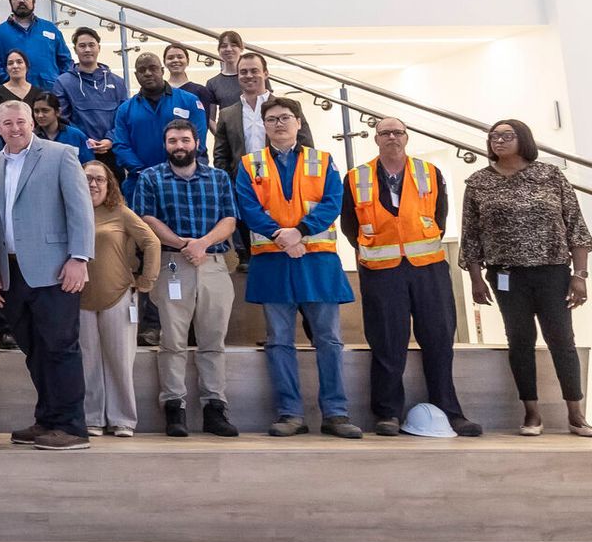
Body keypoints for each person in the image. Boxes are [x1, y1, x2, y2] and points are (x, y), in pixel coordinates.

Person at [340, 119, 479, 437]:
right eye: (385, 133)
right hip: (381, 270)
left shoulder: (429, 171)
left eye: (397, 132)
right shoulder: (356, 176)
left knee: (440, 340)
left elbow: (439, 216)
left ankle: (450, 411)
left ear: (407, 137)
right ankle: (387, 413)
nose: (392, 137)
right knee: (387, 343)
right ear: (375, 139)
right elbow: (350, 225)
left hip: (428, 267)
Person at [233, 96, 360, 438]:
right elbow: (247, 206)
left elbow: (334, 202)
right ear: (264, 125)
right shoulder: (249, 164)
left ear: (299, 123)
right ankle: (290, 413)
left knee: (329, 340)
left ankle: (336, 412)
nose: (279, 124)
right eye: (271, 119)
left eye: (285, 118)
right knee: (279, 342)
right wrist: (282, 236)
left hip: (316, 259)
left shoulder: (324, 161)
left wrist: (299, 233)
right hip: (274, 261)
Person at [461, 118, 592, 437]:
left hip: (552, 272)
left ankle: (576, 414)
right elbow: (471, 236)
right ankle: (531, 413)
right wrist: (477, 279)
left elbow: (575, 226)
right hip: (506, 275)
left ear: (524, 138)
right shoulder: (478, 182)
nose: (498, 141)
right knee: (519, 341)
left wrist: (580, 275)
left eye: (507, 136)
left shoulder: (550, 175)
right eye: (493, 137)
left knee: (561, 339)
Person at [0, 101, 94, 450]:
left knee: (60, 348)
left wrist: (79, 257)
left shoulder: (60, 154)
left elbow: (80, 209)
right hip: (11, 272)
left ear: (32, 122)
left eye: (21, 121)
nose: (14, 128)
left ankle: (73, 427)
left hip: (55, 269)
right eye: (7, 123)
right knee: (34, 350)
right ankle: (48, 419)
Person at [131, 119, 240, 438]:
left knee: (213, 341)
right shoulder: (151, 177)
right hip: (171, 264)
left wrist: (202, 243)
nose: (179, 146)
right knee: (172, 341)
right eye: (173, 141)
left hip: (214, 263)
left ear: (197, 143)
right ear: (165, 145)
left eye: (185, 140)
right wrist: (183, 244)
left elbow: (230, 219)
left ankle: (214, 408)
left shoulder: (218, 178)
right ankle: (174, 408)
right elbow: (146, 219)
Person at [79, 162, 159, 437]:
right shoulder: (72, 211)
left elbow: (151, 242)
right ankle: (92, 418)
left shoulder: (121, 213)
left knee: (120, 360)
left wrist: (147, 280)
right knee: (88, 361)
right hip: (80, 299)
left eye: (99, 179)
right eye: (87, 178)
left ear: (109, 184)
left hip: (119, 297)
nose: (93, 184)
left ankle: (123, 419)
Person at [212, 51, 312, 179]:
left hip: (284, 182)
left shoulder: (289, 107)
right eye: (243, 72)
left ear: (266, 73)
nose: (248, 75)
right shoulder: (227, 114)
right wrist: (230, 186)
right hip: (243, 186)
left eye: (254, 71)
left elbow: (306, 147)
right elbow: (221, 157)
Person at [111, 52, 209, 177]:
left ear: (162, 71)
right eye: (142, 70)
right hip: (139, 179)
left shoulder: (190, 101)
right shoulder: (125, 110)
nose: (147, 73)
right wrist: (143, 172)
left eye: (153, 68)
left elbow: (198, 139)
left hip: (184, 178)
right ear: (136, 75)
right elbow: (121, 145)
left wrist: (175, 169)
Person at [54, 28, 126, 163]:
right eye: (82, 46)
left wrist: (110, 139)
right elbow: (62, 119)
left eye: (91, 45)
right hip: (79, 152)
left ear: (99, 48)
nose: (87, 49)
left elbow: (123, 118)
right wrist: (85, 140)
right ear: (75, 50)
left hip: (112, 152)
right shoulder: (63, 82)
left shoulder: (118, 82)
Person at [0, 0, 73, 90]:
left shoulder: (50, 28)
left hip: (49, 92)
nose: (21, 0)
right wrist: (9, 83)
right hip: (14, 94)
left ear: (33, 1)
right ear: (10, 3)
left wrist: (61, 84)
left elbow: (65, 60)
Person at [30, 91, 93, 165]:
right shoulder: (30, 138)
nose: (40, 115)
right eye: (36, 111)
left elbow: (89, 165)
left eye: (45, 110)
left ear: (58, 111)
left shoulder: (77, 136)